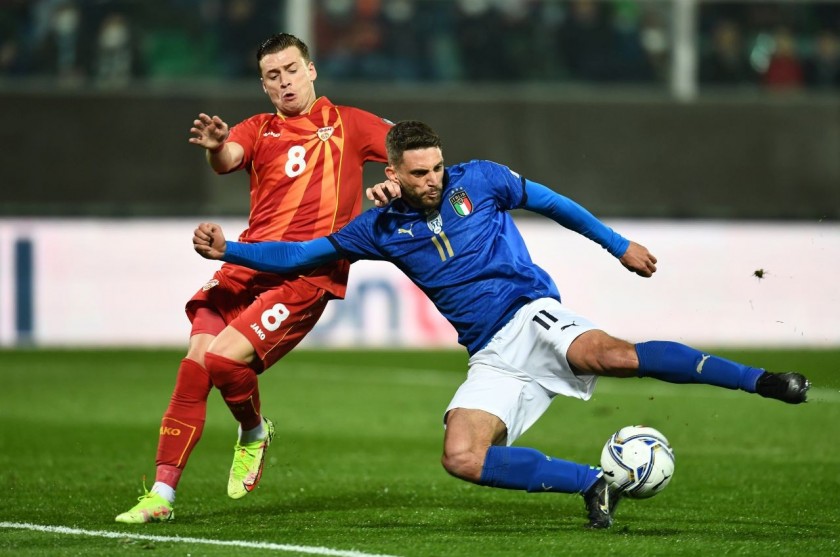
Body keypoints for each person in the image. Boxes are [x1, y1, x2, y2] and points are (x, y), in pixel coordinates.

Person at [192, 120, 811, 529]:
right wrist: (231, 251)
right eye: (419, 173)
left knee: (613, 357)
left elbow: (553, 204)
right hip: (489, 352)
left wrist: (617, 245)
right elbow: (301, 254)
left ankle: (761, 381)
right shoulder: (377, 229)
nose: (433, 179)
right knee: (461, 457)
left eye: (437, 167)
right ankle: (594, 484)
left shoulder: (480, 180)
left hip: (532, 314)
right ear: (393, 175)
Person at [115, 33, 393, 524]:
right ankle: (161, 494)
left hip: (306, 275)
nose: (284, 81)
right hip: (247, 263)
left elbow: (414, 148)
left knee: (223, 360)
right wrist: (216, 147)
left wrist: (395, 180)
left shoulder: (349, 124)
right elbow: (228, 159)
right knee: (195, 365)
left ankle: (252, 431)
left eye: (291, 69)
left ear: (311, 70)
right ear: (264, 85)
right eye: (273, 75)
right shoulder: (259, 128)